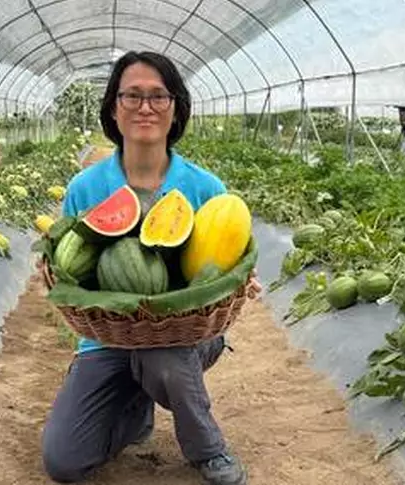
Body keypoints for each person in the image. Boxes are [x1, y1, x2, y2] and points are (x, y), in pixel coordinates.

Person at [40, 51, 257, 485]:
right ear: (113, 109)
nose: (145, 107)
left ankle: (207, 448)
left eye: (159, 96)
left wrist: (240, 281)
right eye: (132, 96)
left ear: (175, 108)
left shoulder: (205, 188)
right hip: (107, 341)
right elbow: (72, 267)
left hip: (188, 335)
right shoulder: (85, 188)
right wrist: (55, 275)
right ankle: (135, 412)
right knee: (63, 462)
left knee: (163, 355)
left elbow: (228, 261)